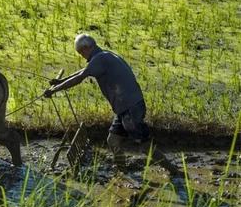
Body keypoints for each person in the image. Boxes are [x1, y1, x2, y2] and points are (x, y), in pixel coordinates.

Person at [43, 33, 180, 176]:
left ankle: (174, 171)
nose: (81, 55)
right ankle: (123, 172)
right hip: (125, 107)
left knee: (144, 144)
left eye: (80, 52)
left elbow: (80, 77)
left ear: (85, 48)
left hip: (130, 108)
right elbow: (84, 72)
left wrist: (55, 90)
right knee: (113, 140)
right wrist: (60, 82)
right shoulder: (104, 55)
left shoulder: (100, 58)